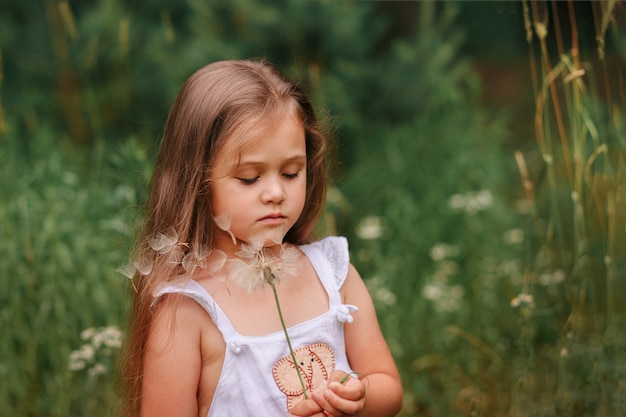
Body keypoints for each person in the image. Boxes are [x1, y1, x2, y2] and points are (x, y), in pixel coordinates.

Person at [120, 59, 402, 417]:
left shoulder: (332, 273)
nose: (275, 192)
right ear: (197, 182)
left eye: (290, 172)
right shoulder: (186, 311)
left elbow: (387, 385)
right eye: (250, 178)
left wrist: (359, 399)